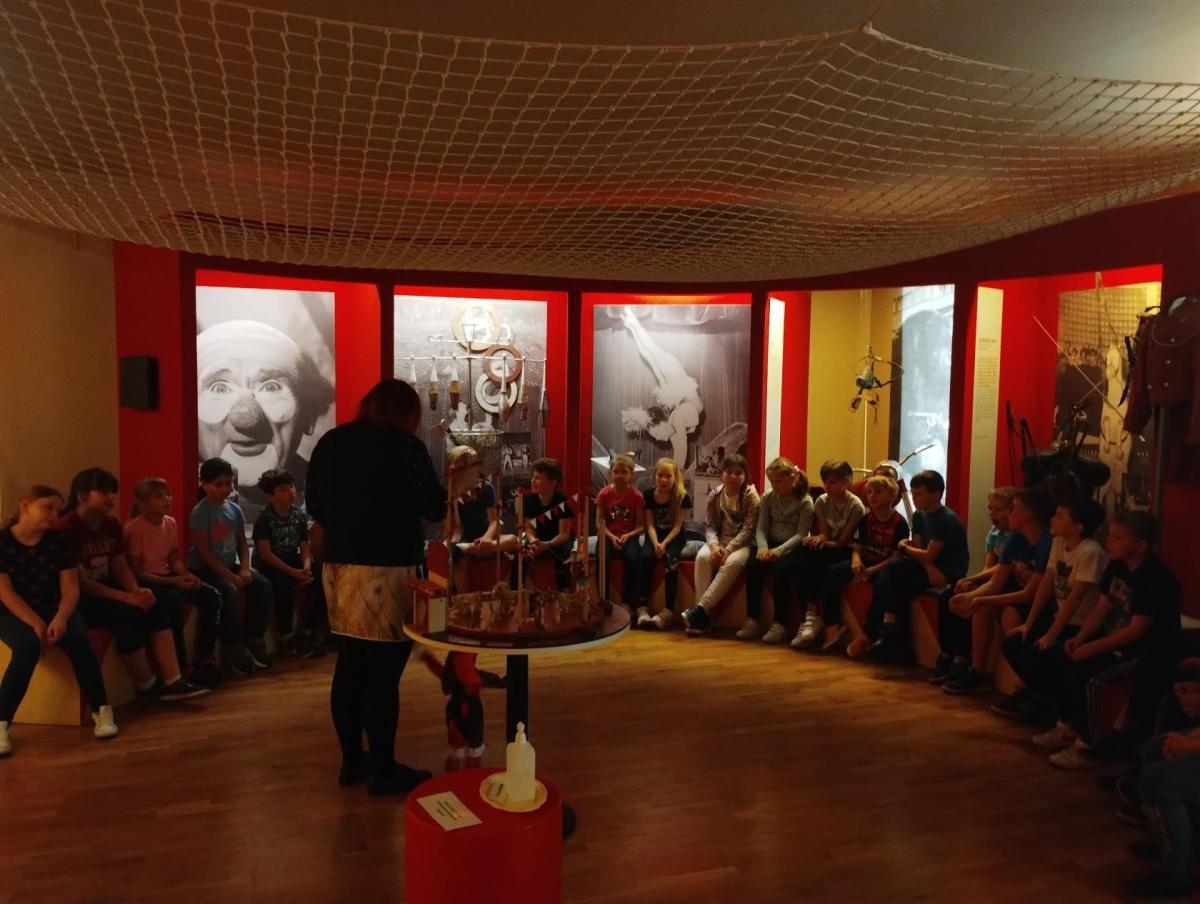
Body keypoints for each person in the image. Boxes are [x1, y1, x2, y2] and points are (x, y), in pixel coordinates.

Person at [306, 378, 447, 796]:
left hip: (339, 568)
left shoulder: (331, 442)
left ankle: (352, 761)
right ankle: (384, 769)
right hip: (388, 570)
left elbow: (315, 506)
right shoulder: (406, 447)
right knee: (383, 676)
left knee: (349, 667)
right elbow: (433, 507)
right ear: (407, 414)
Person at [1037, 510, 1181, 770]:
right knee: (1059, 662)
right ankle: (1068, 727)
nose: (1109, 542)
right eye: (1110, 535)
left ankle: (1090, 745)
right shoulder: (1116, 566)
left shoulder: (1155, 576)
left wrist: (1092, 647)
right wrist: (1080, 638)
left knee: (1092, 680)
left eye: (1118, 538)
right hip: (1115, 641)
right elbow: (1102, 607)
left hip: (1145, 652)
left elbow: (1137, 630)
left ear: (1141, 546)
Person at [57, 468, 209, 701]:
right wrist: (127, 597)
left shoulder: (111, 524)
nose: (111, 498)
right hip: (81, 597)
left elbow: (121, 567)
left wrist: (136, 590)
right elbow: (82, 584)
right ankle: (147, 684)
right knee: (127, 614)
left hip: (109, 587)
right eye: (104, 492)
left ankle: (174, 679)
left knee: (155, 603)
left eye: (113, 493)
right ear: (82, 495)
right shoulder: (66, 529)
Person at [0, 485, 118, 756]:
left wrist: (61, 618)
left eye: (57, 509)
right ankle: (2, 722)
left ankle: (102, 710)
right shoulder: (2, 542)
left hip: (55, 606)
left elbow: (71, 588)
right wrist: (36, 623)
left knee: (79, 641)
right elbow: (5, 592)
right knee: (27, 647)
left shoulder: (59, 541)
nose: (54, 515)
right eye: (47, 507)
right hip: (11, 611)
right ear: (25, 505)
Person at [196, 319, 335, 516]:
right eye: (219, 388)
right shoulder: (177, 497)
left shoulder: (330, 497)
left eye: (271, 387)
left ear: (309, 416)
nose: (246, 419)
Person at [1001, 496, 1107, 751]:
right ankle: (1044, 699)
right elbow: (1046, 584)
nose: (1052, 519)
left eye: (1059, 516)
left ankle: (1064, 720)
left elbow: (1075, 598)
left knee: (1043, 657)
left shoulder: (1090, 551)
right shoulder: (1058, 542)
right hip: (1059, 620)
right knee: (1014, 643)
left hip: (1081, 627)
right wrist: (1030, 623)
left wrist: (1051, 634)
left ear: (1078, 526)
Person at [939, 486, 1054, 696]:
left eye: (1013, 509)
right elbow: (995, 583)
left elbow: (1030, 594)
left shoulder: (1047, 543)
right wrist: (970, 597)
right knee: (981, 608)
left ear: (1029, 514)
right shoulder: (1014, 538)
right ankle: (977, 671)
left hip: (1042, 602)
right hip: (1019, 594)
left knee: (1008, 613)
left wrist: (979, 599)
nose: (1008, 514)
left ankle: (1024, 686)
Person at [125, 477, 224, 687]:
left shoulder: (170, 523)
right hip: (149, 580)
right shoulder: (135, 528)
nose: (167, 499)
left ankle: (205, 655)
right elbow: (137, 571)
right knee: (172, 602)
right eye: (158, 496)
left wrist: (186, 575)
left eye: (168, 494)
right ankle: (180, 667)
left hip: (169, 576)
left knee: (211, 595)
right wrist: (174, 582)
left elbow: (174, 560)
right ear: (143, 503)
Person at [864, 470, 969, 663]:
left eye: (919, 494)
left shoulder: (945, 519)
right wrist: (925, 564)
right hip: (929, 567)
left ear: (936, 494)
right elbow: (921, 551)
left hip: (946, 571)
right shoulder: (919, 515)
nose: (914, 498)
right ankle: (891, 633)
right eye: (913, 493)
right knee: (890, 577)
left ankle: (888, 631)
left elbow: (927, 554)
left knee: (895, 576)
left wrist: (902, 546)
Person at [188, 458, 273, 675]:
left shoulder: (234, 509)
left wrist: (244, 568)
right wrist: (231, 576)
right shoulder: (200, 512)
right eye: (219, 484)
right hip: (204, 569)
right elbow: (204, 553)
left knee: (262, 583)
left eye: (228, 483)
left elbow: (242, 543)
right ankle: (234, 645)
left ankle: (255, 638)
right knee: (228, 589)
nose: (225, 489)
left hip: (228, 565)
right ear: (204, 484)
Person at [680, 454, 760, 637]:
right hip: (719, 541)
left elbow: (748, 529)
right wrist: (714, 546)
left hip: (742, 544)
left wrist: (728, 549)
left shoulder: (751, 496)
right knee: (702, 557)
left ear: (745, 475)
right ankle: (702, 618)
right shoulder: (715, 495)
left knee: (732, 562)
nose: (733, 476)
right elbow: (710, 526)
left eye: (738, 473)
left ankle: (700, 610)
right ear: (722, 473)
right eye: (729, 472)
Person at [737, 458, 812, 645]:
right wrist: (763, 547)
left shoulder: (805, 501)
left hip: (793, 546)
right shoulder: (768, 498)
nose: (774, 486)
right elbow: (761, 527)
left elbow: (801, 534)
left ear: (793, 478)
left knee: (781, 570)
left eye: (778, 481)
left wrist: (779, 551)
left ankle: (780, 623)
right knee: (752, 565)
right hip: (771, 543)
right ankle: (753, 619)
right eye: (772, 482)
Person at [618, 305, 704, 468]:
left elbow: (680, 452)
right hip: (677, 383)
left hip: (676, 381)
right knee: (649, 353)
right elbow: (680, 451)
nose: (658, 439)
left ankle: (633, 322)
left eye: (656, 434)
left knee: (650, 351)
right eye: (656, 434)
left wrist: (677, 471)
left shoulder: (677, 420)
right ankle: (632, 323)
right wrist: (677, 471)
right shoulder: (676, 421)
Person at [252, 469, 325, 657]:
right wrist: (293, 572)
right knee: (282, 584)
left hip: (291, 558)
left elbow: (304, 545)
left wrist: (306, 566)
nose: (291, 492)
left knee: (323, 576)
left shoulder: (299, 515)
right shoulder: (265, 517)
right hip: (271, 563)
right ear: (271, 495)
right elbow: (266, 555)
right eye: (283, 489)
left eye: (291, 486)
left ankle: (309, 629)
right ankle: (286, 636)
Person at [836, 475, 910, 657]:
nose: (872, 496)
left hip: (884, 566)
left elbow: (896, 557)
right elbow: (858, 547)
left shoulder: (900, 523)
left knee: (882, 584)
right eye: (869, 492)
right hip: (865, 561)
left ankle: (869, 633)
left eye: (878, 492)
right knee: (831, 573)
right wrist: (856, 560)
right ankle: (834, 625)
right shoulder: (865, 519)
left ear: (892, 496)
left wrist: (872, 570)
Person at [797, 460, 866, 649]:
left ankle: (827, 621)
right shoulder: (822, 501)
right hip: (830, 546)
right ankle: (811, 612)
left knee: (828, 572)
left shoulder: (856, 506)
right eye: (825, 482)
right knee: (806, 553)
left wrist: (822, 542)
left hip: (847, 551)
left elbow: (843, 541)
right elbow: (824, 533)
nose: (827, 486)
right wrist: (818, 539)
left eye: (832, 482)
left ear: (846, 481)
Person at [443, 446, 514, 591]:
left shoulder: (486, 488)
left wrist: (486, 537)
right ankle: (461, 599)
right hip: (465, 539)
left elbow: (494, 521)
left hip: (485, 537)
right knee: (457, 560)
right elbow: (452, 529)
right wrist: (450, 542)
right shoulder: (450, 492)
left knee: (513, 540)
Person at [636, 458, 691, 630]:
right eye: (660, 475)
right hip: (654, 536)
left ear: (675, 477)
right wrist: (656, 544)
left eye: (668, 476)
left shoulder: (682, 496)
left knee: (671, 559)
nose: (664, 480)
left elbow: (677, 526)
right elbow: (650, 525)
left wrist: (664, 544)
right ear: (654, 476)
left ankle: (668, 610)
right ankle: (642, 607)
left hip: (674, 536)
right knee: (645, 557)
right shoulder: (648, 495)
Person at [595, 454, 646, 618]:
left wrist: (628, 535)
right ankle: (603, 600)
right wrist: (611, 537)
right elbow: (599, 523)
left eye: (624, 472)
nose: (619, 475)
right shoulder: (603, 494)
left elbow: (640, 526)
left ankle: (628, 602)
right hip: (608, 535)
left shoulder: (637, 497)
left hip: (629, 536)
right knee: (602, 558)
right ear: (610, 473)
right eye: (616, 471)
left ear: (632, 475)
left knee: (633, 558)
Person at [517, 458, 575, 592]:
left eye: (538, 478)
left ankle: (563, 592)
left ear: (552, 482)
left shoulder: (562, 500)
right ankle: (516, 591)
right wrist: (533, 542)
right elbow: (529, 528)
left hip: (558, 539)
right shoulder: (528, 500)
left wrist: (547, 545)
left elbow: (564, 534)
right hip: (537, 538)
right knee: (521, 552)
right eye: (533, 477)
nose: (532, 481)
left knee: (565, 553)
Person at [953, 488, 1014, 594]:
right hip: (995, 581)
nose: (992, 513)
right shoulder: (994, 532)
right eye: (990, 508)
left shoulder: (1016, 536)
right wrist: (976, 584)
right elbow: (989, 566)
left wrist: (971, 579)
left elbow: (1002, 567)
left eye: (998, 509)